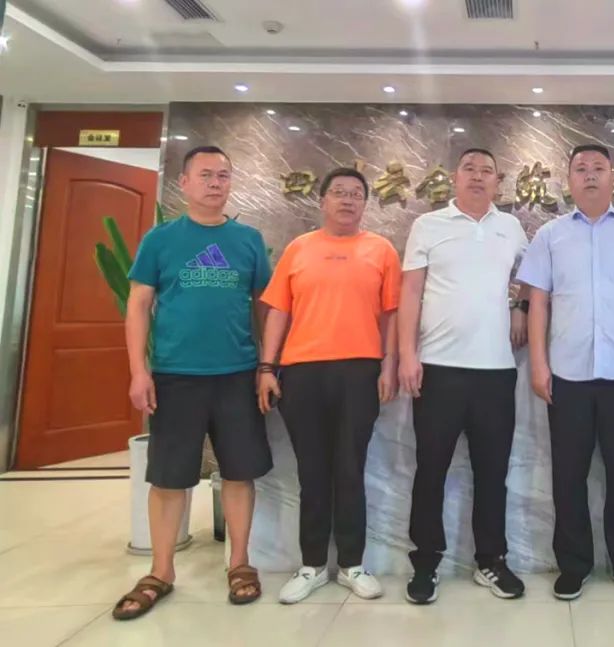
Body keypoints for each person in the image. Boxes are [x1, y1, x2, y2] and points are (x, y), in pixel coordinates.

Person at [114, 146, 273, 620]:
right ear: (183, 183)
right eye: (205, 175)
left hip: (237, 374)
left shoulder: (248, 239)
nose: (215, 183)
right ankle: (160, 571)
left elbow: (263, 307)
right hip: (175, 376)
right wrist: (139, 370)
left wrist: (267, 365)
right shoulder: (160, 240)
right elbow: (138, 304)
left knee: (239, 472)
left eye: (223, 175)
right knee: (168, 477)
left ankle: (239, 564)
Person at [517, 144, 614, 601]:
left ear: (613, 177)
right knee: (569, 476)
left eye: (598, 168)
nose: (589, 175)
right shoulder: (550, 235)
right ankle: (574, 565)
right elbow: (538, 301)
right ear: (568, 180)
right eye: (580, 169)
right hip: (568, 375)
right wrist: (539, 363)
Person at [256, 167, 401, 604]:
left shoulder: (381, 250)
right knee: (312, 471)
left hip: (359, 372)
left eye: (356, 194)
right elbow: (278, 311)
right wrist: (267, 367)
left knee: (350, 468)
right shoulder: (299, 249)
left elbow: (391, 314)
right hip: (302, 373)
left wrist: (389, 366)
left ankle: (353, 564)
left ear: (365, 204)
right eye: (339, 192)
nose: (348, 200)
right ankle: (313, 565)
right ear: (322, 201)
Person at [399, 148, 530, 604]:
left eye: (487, 171)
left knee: (493, 473)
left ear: (498, 181)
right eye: (469, 169)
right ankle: (426, 563)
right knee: (431, 470)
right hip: (438, 368)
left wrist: (520, 306)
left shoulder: (510, 227)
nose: (478, 176)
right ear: (454, 178)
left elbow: (532, 279)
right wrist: (407, 355)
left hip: (496, 370)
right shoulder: (428, 225)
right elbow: (410, 293)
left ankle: (491, 560)